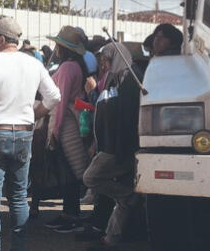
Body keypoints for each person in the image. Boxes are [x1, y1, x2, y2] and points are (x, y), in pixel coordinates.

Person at [0, 15, 61, 251]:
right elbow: (54, 97)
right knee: (18, 198)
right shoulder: (34, 64)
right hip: (23, 135)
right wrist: (35, 115)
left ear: (0, 39)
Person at [83, 42, 144, 250]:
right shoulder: (114, 77)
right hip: (110, 143)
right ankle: (112, 237)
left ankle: (127, 194)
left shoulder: (130, 78)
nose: (104, 65)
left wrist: (119, 148)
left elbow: (126, 117)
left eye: (107, 60)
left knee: (91, 178)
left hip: (120, 146)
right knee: (122, 200)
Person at [44, 26, 91, 233]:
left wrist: (54, 132)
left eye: (59, 44)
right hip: (70, 120)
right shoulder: (76, 66)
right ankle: (69, 214)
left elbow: (60, 103)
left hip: (64, 124)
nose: (56, 48)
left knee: (68, 171)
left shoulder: (66, 68)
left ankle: (71, 216)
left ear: (64, 48)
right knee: (70, 170)